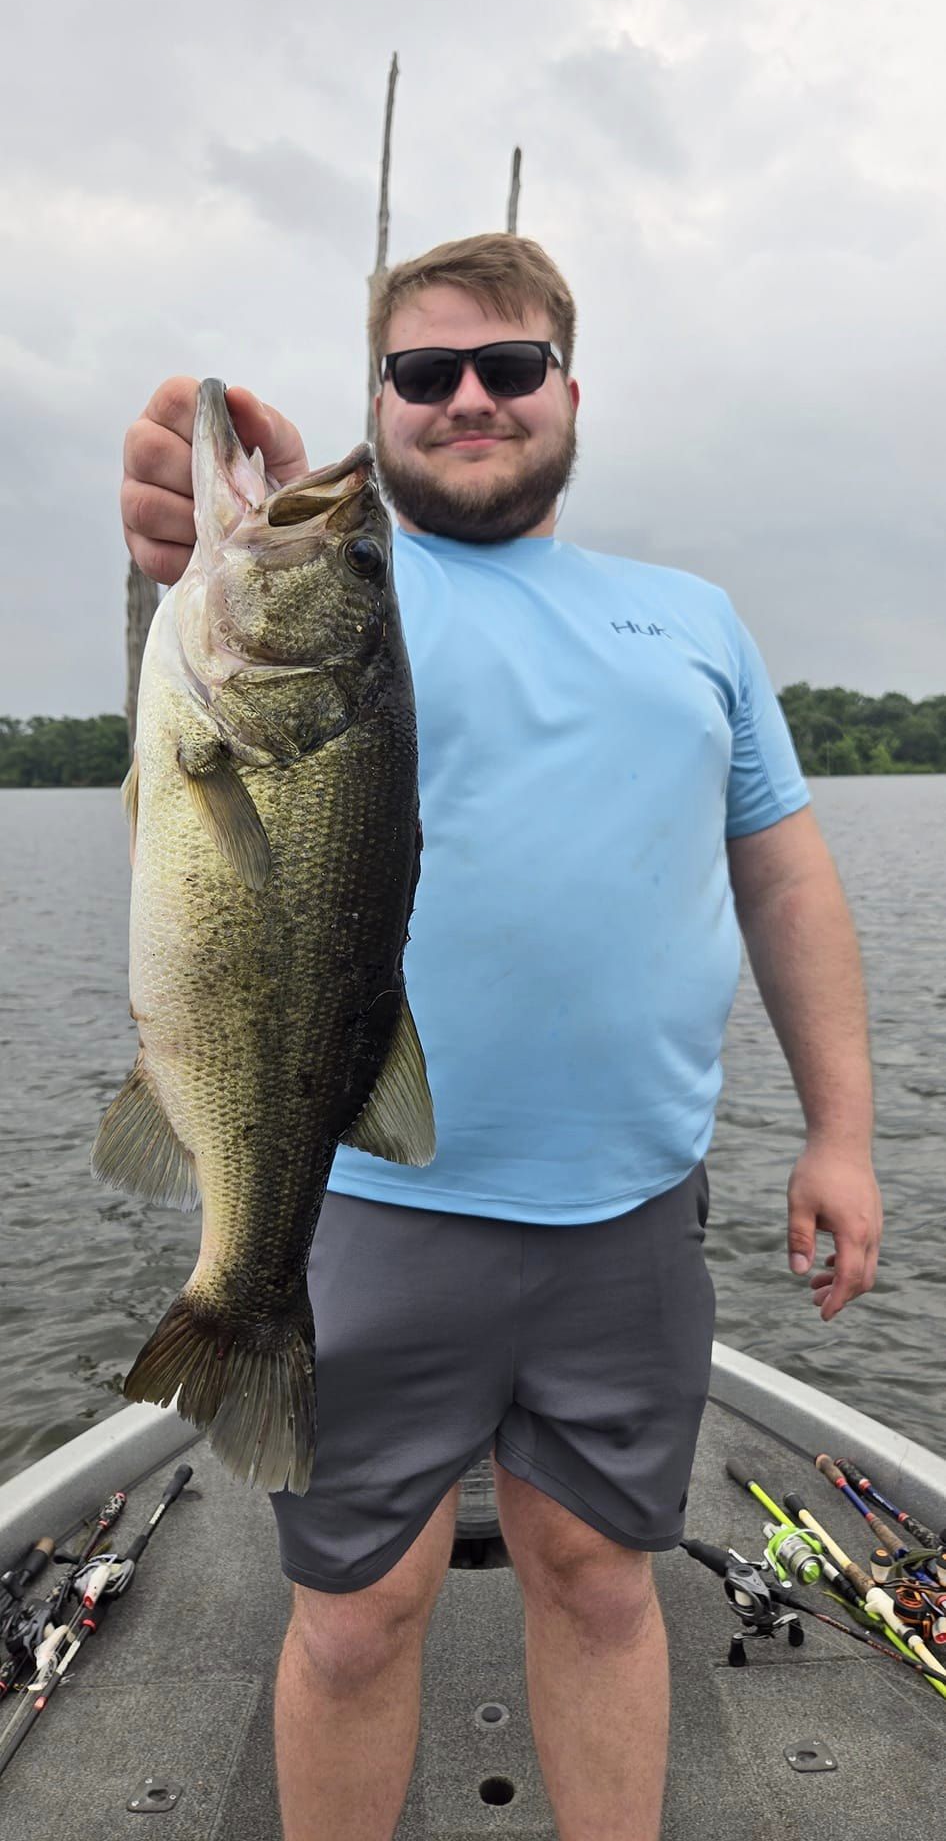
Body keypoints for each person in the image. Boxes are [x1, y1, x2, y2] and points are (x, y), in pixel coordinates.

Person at [121, 231, 883, 1841]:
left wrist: (839, 1134)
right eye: (421, 372)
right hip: (371, 1209)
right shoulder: (352, 593)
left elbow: (785, 874)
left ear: (566, 389)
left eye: (507, 366)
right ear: (377, 404)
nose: (467, 398)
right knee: (349, 1616)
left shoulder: (693, 619)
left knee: (608, 1590)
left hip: (631, 1220)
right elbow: (208, 668)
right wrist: (174, 541)